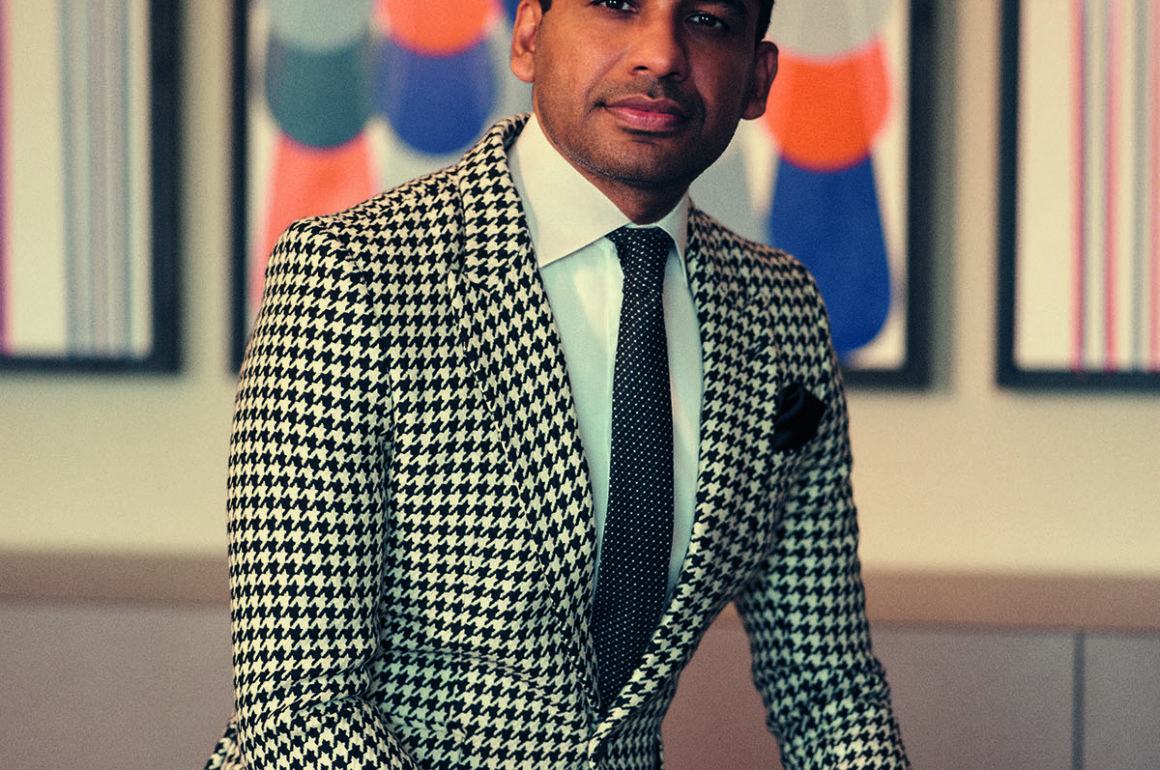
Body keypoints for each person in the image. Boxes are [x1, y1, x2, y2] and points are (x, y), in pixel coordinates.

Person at [206, 0, 910, 767]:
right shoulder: (351, 274)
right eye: (616, 4)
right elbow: (300, 707)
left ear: (758, 79)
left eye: (707, 19)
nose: (660, 54)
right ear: (529, 35)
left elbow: (829, 692)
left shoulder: (781, 311)